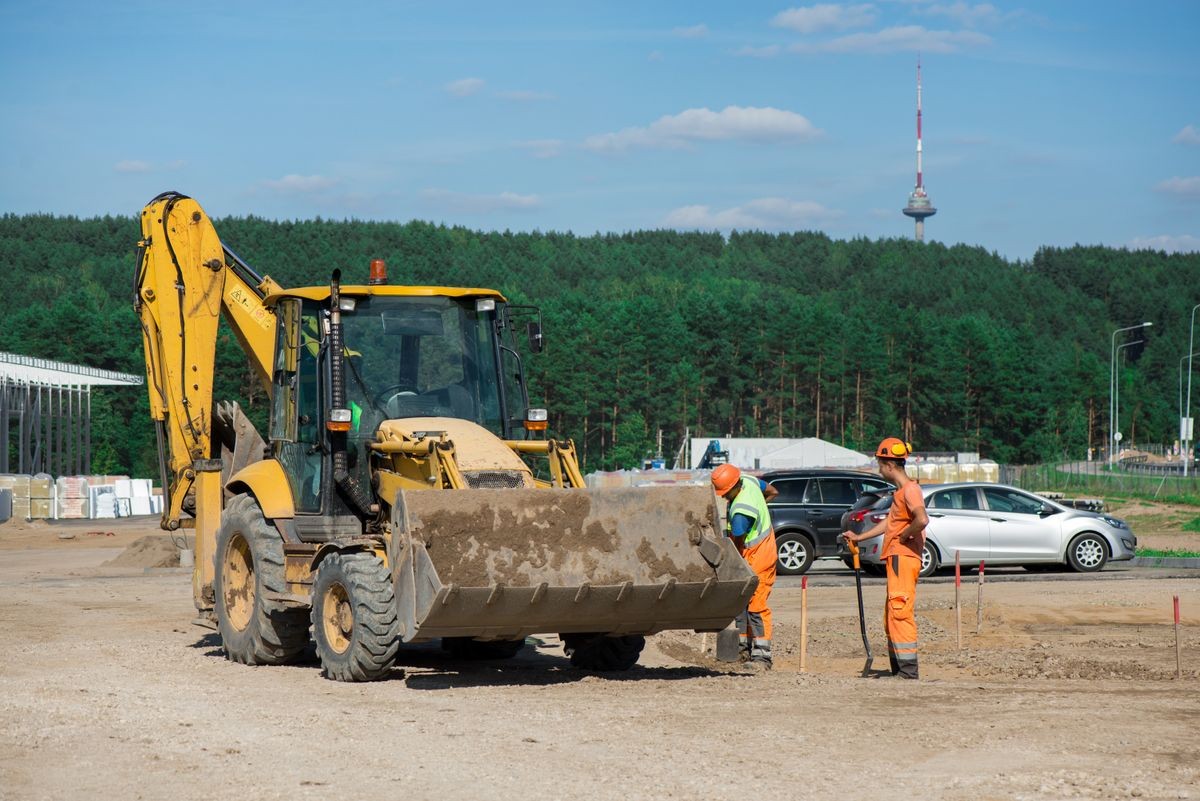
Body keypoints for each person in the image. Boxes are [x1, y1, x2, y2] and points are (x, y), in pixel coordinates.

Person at [841, 438, 928, 679]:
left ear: (890, 464)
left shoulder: (910, 490)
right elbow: (891, 524)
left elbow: (921, 520)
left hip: (903, 556)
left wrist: (905, 536)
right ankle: (899, 668)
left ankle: (908, 672)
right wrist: (859, 537)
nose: (879, 469)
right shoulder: (901, 492)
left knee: (899, 610)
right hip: (897, 558)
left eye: (880, 464)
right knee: (892, 613)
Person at [711, 463, 778, 668]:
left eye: (725, 493)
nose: (723, 497)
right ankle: (742, 648)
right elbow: (773, 491)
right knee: (741, 603)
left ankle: (762, 656)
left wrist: (731, 561)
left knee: (756, 607)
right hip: (757, 550)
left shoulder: (741, 512)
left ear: (733, 487)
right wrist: (761, 509)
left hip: (758, 557)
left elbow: (737, 543)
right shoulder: (749, 480)